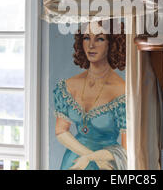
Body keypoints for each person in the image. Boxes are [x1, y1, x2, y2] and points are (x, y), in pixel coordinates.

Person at [53, 21, 127, 170]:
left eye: (99, 39)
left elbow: (127, 149)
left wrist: (92, 158)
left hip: (106, 163)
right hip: (73, 162)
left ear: (111, 44)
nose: (91, 45)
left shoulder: (122, 91)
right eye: (87, 38)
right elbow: (61, 131)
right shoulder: (69, 85)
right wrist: (86, 155)